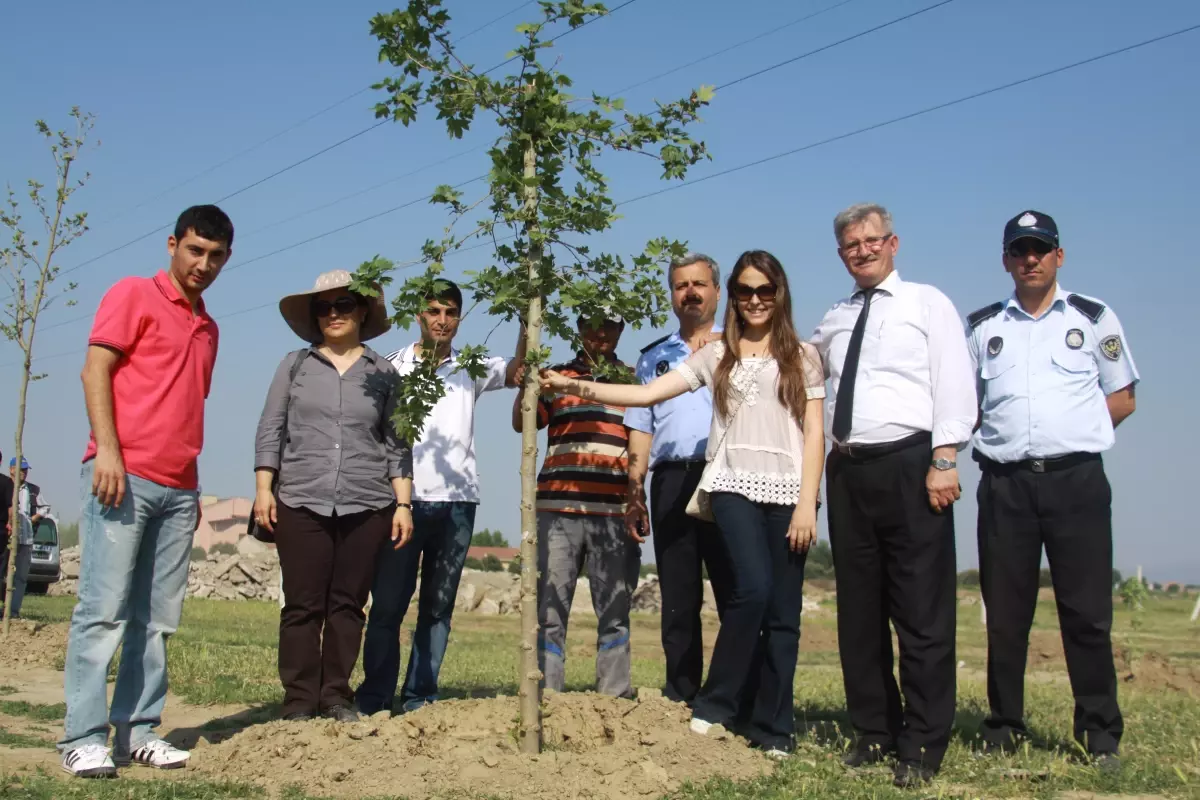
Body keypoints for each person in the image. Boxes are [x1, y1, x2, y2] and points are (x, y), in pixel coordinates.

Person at [543, 250, 825, 757]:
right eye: (747, 291)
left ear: (779, 294)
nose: (756, 299)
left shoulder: (803, 357)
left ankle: (772, 727)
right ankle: (710, 701)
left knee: (783, 615)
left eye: (765, 290)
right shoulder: (717, 357)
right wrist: (573, 384)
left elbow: (814, 432)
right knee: (746, 593)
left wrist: (809, 503)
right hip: (728, 485)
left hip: (788, 493)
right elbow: (648, 396)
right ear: (734, 298)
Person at [59, 204, 233, 779]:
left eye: (215, 256)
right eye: (194, 250)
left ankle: (139, 730)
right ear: (171, 245)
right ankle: (83, 737)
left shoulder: (209, 328)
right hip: (122, 475)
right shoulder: (132, 294)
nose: (202, 264)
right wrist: (107, 450)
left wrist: (191, 482)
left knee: (157, 620)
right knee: (102, 612)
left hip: (180, 490)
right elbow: (95, 370)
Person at [811, 203, 976, 787]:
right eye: (852, 244)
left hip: (912, 463)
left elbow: (953, 377)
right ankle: (874, 729)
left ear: (893, 243)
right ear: (841, 254)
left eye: (872, 240)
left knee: (921, 610)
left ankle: (924, 741)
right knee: (859, 610)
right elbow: (804, 378)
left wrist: (946, 457)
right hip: (849, 469)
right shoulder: (833, 317)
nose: (863, 250)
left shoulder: (927, 303)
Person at [968, 210, 1137, 769]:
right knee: (1006, 612)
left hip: (1076, 484)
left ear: (1059, 256)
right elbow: (965, 410)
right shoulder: (984, 327)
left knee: (1087, 614)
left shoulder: (1092, 317)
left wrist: (1073, 438)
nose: (1030, 259)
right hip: (1005, 487)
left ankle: (1099, 733)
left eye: (1040, 249)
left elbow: (1122, 397)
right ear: (1005, 261)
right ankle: (1005, 722)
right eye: (1019, 250)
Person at [254, 270, 414, 724]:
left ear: (363, 312)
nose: (333, 314)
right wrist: (264, 488)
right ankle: (300, 700)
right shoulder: (295, 365)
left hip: (367, 503)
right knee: (302, 604)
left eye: (343, 305)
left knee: (348, 604)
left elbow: (397, 444)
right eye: (324, 307)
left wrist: (403, 504)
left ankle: (336, 696)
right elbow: (271, 428)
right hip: (301, 497)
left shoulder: (384, 374)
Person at [357, 280, 524, 715]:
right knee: (389, 604)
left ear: (460, 318)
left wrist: (527, 317)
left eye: (451, 312)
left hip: (458, 503)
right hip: (403, 502)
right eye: (434, 311)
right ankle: (375, 697)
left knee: (438, 607)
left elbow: (518, 371)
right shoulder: (391, 366)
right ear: (419, 314)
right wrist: (395, 499)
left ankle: (420, 698)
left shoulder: (472, 366)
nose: (442, 320)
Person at [624, 251, 732, 704]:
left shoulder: (741, 347)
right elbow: (640, 430)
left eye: (699, 284)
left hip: (728, 477)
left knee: (736, 590)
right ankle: (682, 692)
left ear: (716, 291)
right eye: (680, 285)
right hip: (670, 479)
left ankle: (734, 693)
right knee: (679, 595)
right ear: (672, 294)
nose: (690, 292)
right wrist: (635, 493)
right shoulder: (654, 358)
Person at [513, 311, 638, 697]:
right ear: (579, 327)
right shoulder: (555, 377)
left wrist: (638, 497)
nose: (600, 333)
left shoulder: (635, 381)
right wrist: (527, 383)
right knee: (549, 612)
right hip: (557, 509)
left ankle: (613, 699)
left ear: (621, 330)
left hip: (614, 513)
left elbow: (644, 442)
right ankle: (545, 696)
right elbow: (523, 423)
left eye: (609, 326)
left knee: (615, 613)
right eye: (592, 324)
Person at [7, 456, 50, 618]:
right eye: (21, 469)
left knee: (21, 577)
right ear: (12, 469)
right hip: (8, 539)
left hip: (26, 539)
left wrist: (35, 518)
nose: (24, 472)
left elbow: (45, 506)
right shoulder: (6, 486)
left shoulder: (33, 490)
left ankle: (13, 612)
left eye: (25, 470)